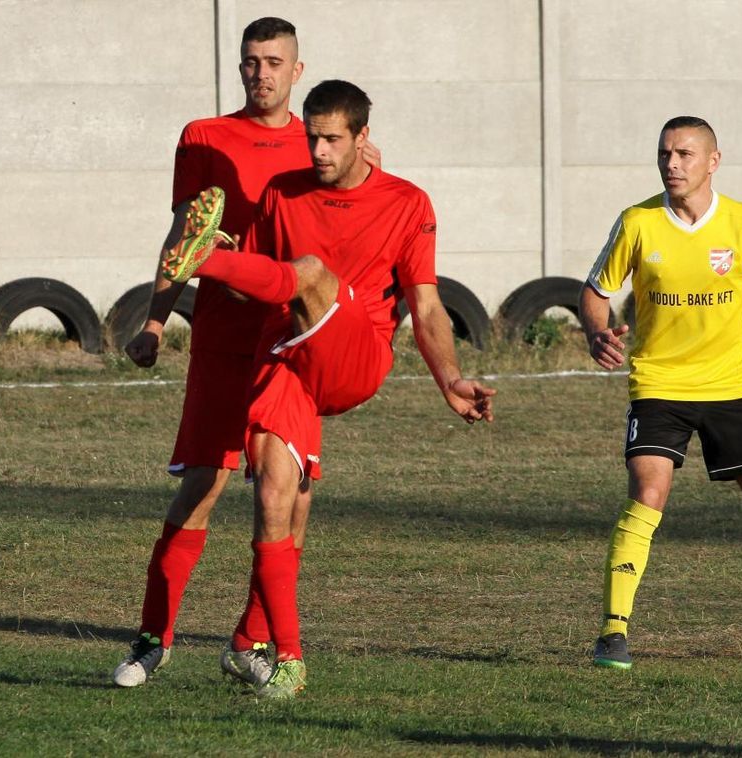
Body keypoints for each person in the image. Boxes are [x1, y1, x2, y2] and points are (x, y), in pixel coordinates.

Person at [158, 79, 496, 697]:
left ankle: (199, 256)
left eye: (331, 139)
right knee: (275, 502)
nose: (316, 150)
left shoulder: (407, 201)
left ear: (364, 138)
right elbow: (259, 285)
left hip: (355, 354)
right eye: (311, 137)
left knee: (313, 273)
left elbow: (425, 305)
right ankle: (272, 652)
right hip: (286, 357)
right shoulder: (283, 194)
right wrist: (235, 269)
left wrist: (448, 378)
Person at [112, 17, 384, 690]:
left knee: (287, 500)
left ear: (296, 70)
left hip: (291, 348)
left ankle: (249, 641)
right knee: (201, 487)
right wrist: (154, 321)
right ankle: (152, 639)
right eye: (249, 61)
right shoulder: (206, 137)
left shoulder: (322, 142)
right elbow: (185, 234)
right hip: (220, 336)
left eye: (272, 61)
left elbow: (357, 224)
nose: (258, 72)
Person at [579, 116, 742, 669]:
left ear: (713, 161)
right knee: (648, 491)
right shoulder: (637, 222)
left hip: (733, 385)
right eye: (664, 153)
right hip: (659, 384)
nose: (672, 164)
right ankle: (613, 633)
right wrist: (596, 330)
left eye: (685, 154)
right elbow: (595, 293)